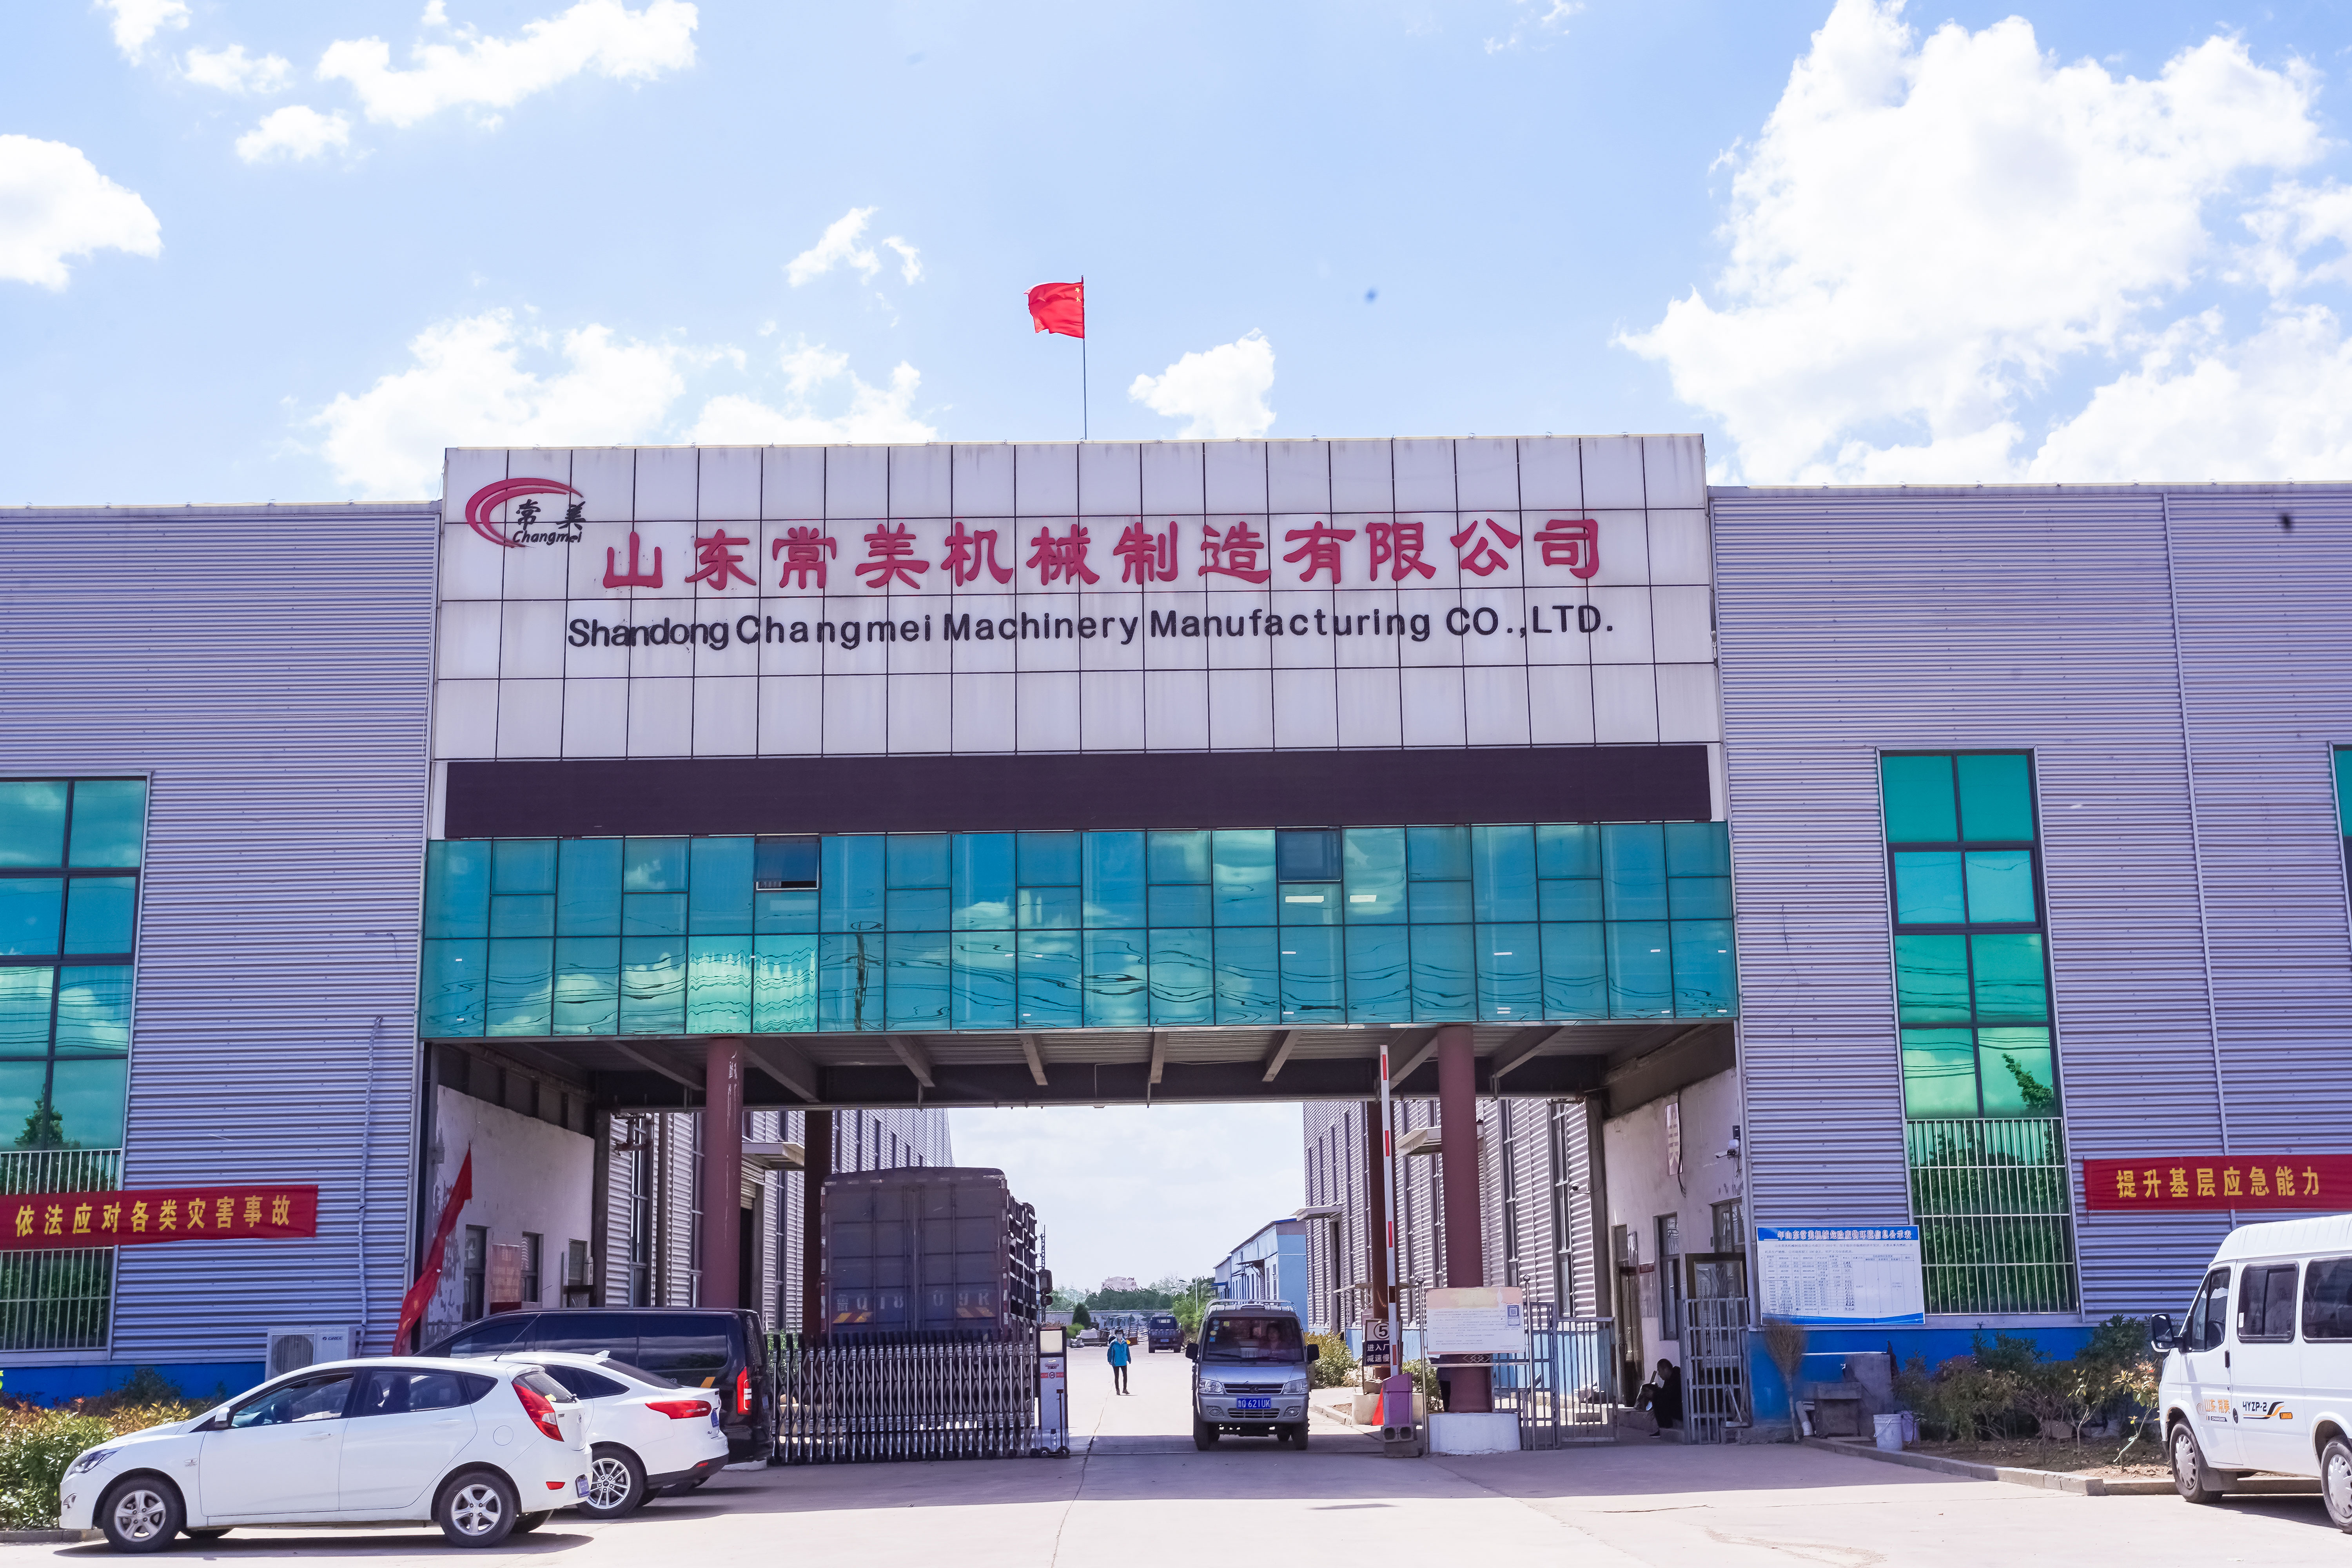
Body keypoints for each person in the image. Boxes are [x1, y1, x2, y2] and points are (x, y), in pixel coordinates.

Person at [1634, 1358, 1682, 1429]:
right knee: (1656, 1397)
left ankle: (1665, 1428)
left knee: (1658, 1400)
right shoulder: (1669, 1380)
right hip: (1674, 1407)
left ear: (1666, 1370)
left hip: (1680, 1410)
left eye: (1660, 1371)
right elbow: (1665, 1393)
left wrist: (1654, 1395)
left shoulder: (1677, 1379)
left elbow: (1669, 1396)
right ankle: (1661, 1429)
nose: (1659, 1374)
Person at [1107, 1330, 1132, 1394]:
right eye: (1118, 1334)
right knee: (1117, 1376)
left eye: (1120, 1334)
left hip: (1124, 1362)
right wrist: (1110, 1360)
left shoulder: (1125, 1343)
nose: (1119, 1335)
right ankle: (1117, 1390)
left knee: (1125, 1376)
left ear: (1122, 1335)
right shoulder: (1113, 1343)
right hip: (1116, 1362)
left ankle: (1125, 1389)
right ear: (1116, 1335)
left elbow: (1127, 1351)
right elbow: (1110, 1352)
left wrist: (1129, 1359)